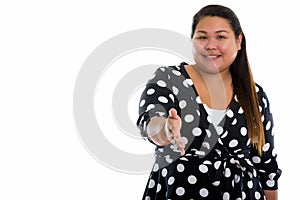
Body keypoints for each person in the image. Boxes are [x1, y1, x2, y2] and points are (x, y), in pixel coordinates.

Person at [136, 4, 282, 200]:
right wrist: (165, 130)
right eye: (202, 37)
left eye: (220, 37)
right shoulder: (169, 79)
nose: (210, 45)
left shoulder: (255, 95)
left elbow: (266, 165)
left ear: (239, 41)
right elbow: (151, 121)